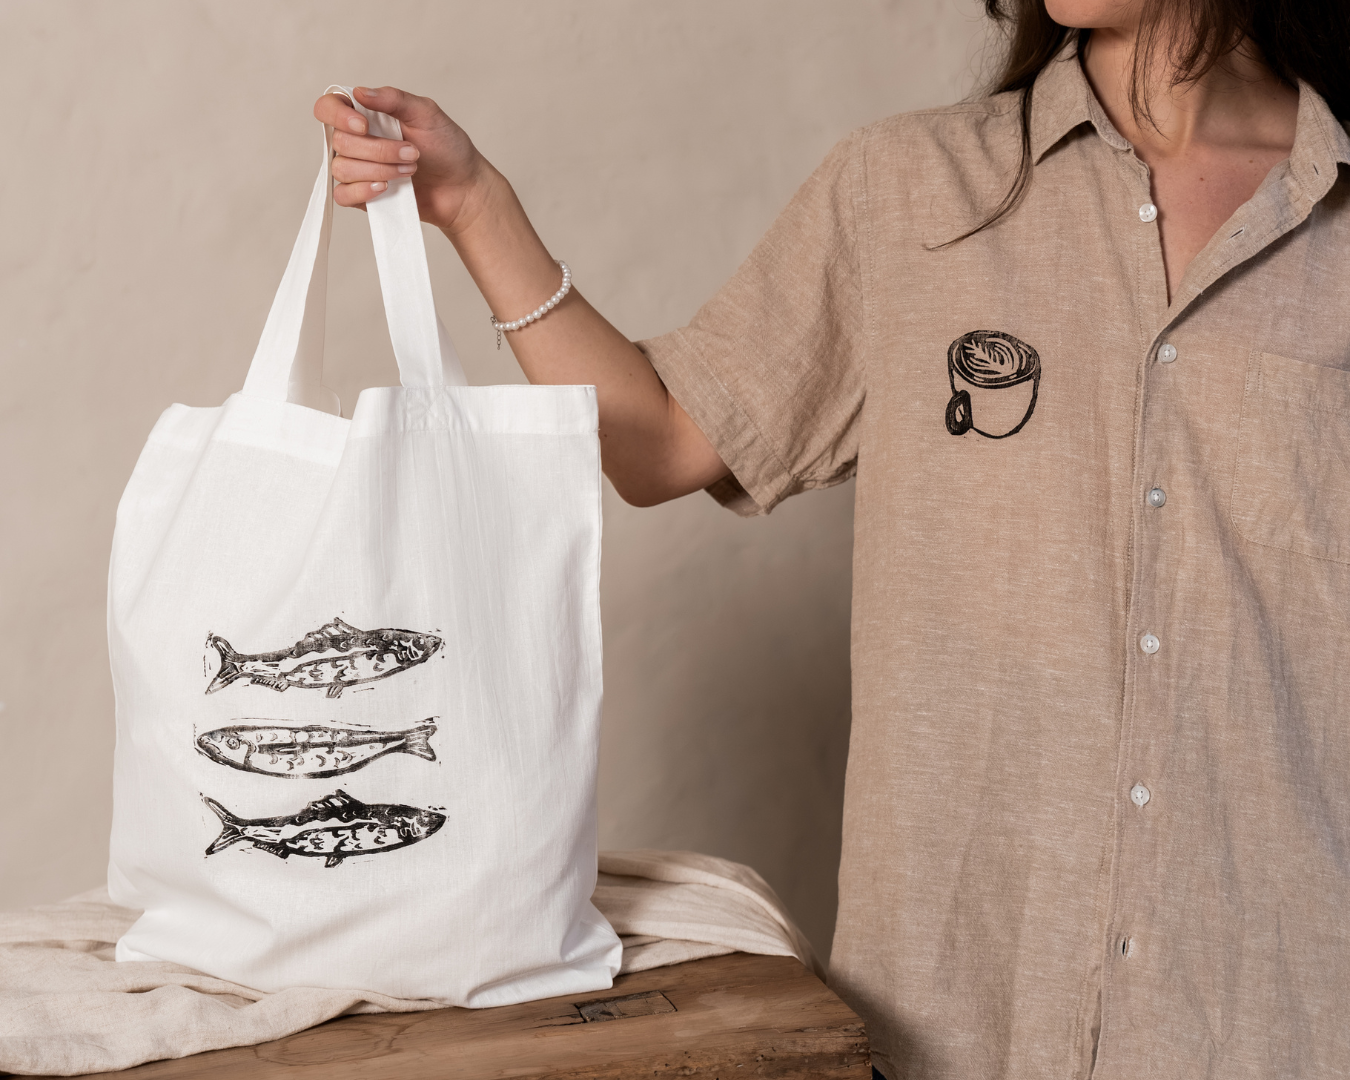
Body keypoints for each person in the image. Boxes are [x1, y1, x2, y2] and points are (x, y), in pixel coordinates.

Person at [313, 1, 1350, 1076]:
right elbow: (659, 443)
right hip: (966, 1008)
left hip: (1278, 1004)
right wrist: (477, 207)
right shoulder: (910, 192)